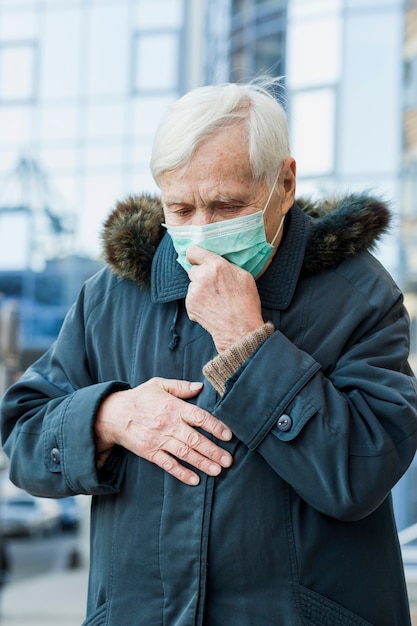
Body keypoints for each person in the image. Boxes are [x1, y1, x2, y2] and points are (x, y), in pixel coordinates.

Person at [1, 80, 417, 626]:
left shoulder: (359, 296)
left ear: (284, 184)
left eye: (227, 206)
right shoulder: (113, 295)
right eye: (181, 206)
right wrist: (107, 417)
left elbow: (360, 473)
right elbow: (24, 437)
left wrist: (249, 345)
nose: (201, 230)